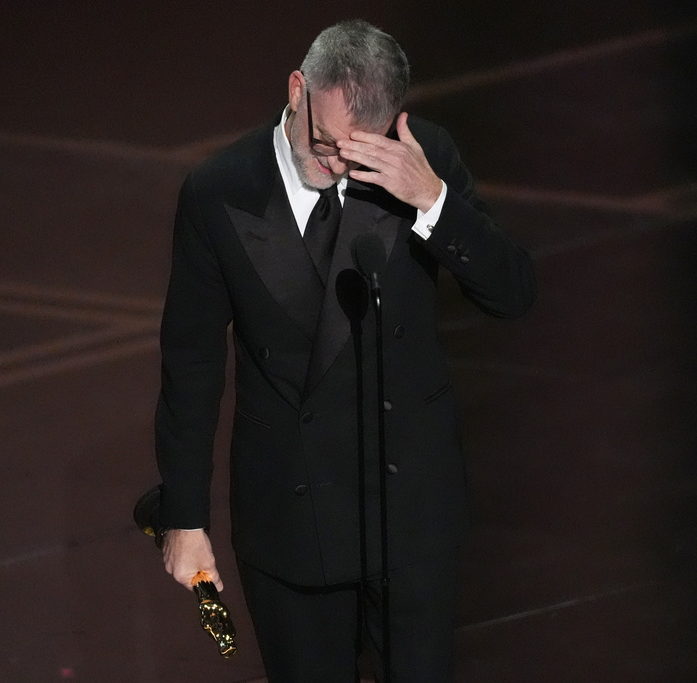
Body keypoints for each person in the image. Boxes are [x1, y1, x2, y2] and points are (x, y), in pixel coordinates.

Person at [153, 19, 536, 683]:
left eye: (358, 152)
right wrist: (184, 519)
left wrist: (433, 201)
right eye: (326, 142)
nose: (336, 165)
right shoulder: (219, 191)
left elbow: (513, 294)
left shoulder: (420, 159)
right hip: (292, 518)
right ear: (296, 90)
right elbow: (191, 363)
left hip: (411, 513)